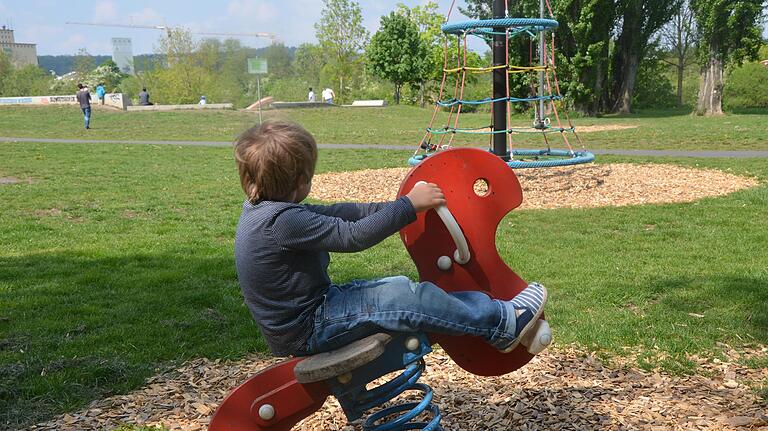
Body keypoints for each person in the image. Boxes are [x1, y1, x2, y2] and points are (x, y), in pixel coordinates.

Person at [233, 120, 547, 358]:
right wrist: (408, 206)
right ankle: (502, 323)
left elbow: (343, 213)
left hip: (315, 312)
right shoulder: (283, 221)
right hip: (311, 327)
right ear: (301, 180)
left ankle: (493, 316)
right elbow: (353, 236)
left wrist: (399, 207)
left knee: (399, 287)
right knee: (404, 298)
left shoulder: (264, 210)